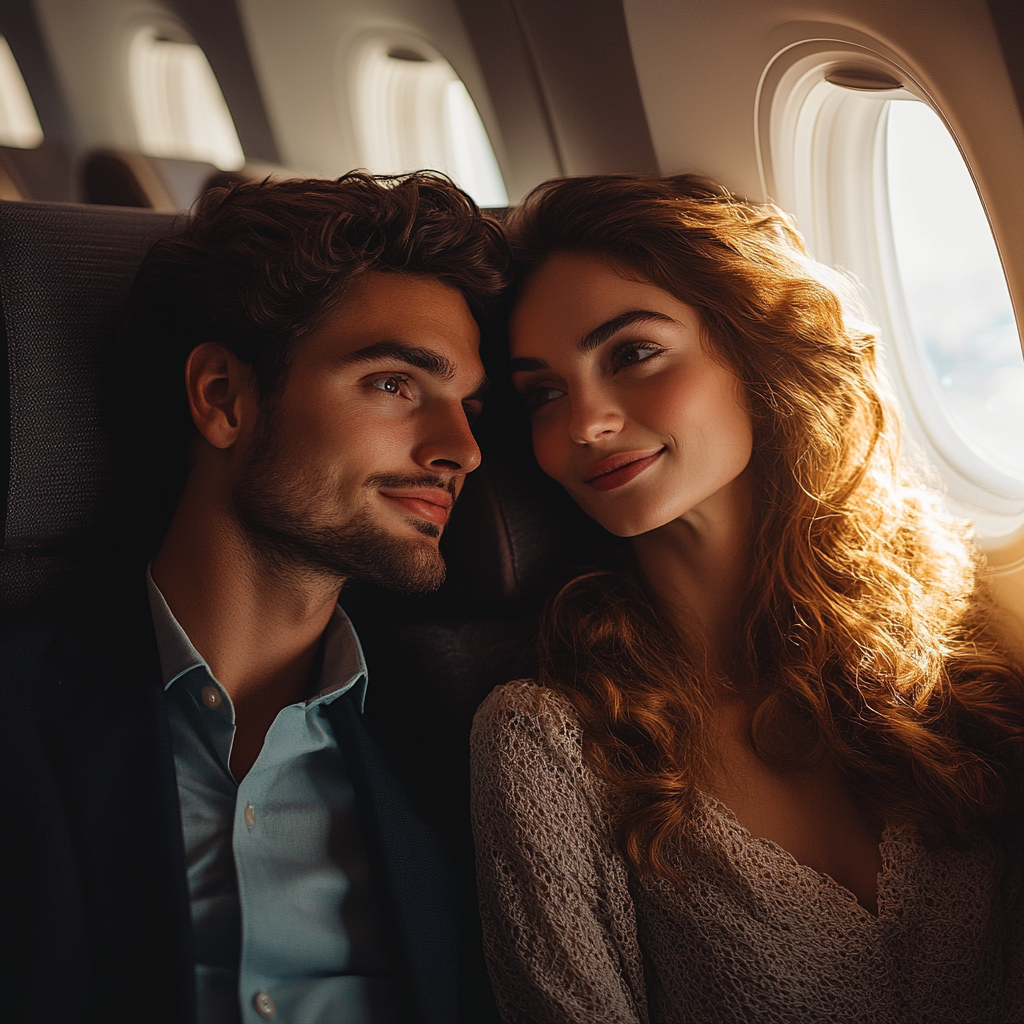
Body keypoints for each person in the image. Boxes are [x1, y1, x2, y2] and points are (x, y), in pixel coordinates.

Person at [470, 173, 1024, 1024]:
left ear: (750, 347)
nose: (584, 423)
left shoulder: (953, 648)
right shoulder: (553, 741)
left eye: (631, 354)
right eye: (545, 393)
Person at [3, 172, 508, 1024]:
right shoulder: (17, 710)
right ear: (223, 399)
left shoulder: (459, 745)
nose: (461, 449)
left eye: (469, 406)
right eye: (394, 383)